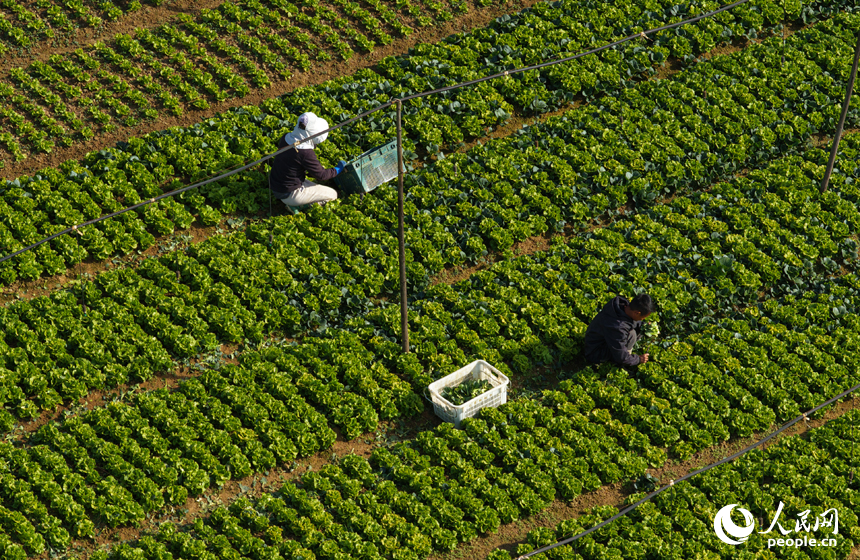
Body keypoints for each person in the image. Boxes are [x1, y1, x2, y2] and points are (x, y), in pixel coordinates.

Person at [268, 112, 347, 208]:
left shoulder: (286, 138)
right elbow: (321, 175)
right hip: (289, 193)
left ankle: (295, 201)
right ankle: (299, 206)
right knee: (333, 194)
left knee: (316, 187)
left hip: (277, 183)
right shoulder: (305, 153)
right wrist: (337, 169)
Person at [583, 293, 656, 368]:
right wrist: (638, 359)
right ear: (637, 313)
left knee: (634, 332)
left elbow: (633, 321)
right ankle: (621, 364)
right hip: (596, 352)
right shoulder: (618, 327)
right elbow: (621, 357)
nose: (642, 320)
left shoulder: (622, 307)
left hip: (600, 340)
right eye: (643, 318)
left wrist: (646, 327)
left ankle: (627, 358)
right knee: (632, 334)